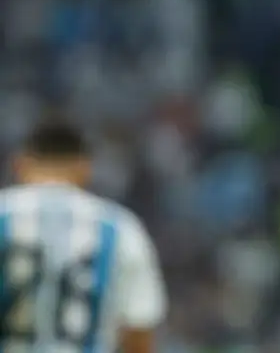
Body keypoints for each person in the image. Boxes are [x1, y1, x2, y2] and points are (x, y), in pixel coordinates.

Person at [0, 119, 167, 353]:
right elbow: (139, 330)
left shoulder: (4, 215)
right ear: (85, 168)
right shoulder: (119, 228)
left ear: (19, 164)